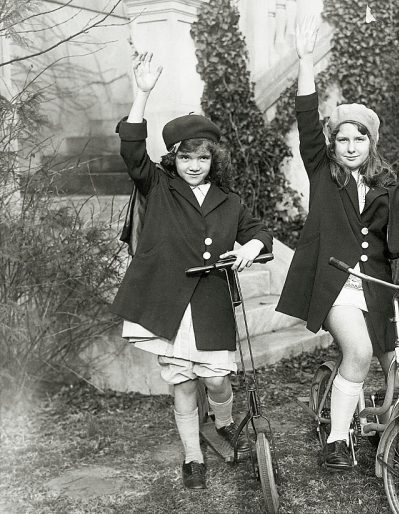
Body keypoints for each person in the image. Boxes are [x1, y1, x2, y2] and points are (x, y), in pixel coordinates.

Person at [276, 20, 399, 471]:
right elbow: (307, 119)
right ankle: (337, 440)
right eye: (341, 138)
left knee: (398, 362)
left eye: (358, 137)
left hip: (378, 286)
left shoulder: (386, 184)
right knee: (359, 353)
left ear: (371, 142)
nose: (349, 145)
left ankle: (390, 423)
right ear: (333, 144)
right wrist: (306, 63)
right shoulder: (325, 175)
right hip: (336, 283)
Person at [111, 52, 273, 489]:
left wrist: (252, 246)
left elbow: (260, 231)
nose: (194, 165)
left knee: (217, 380)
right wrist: (142, 94)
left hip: (211, 301)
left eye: (202, 158)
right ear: (174, 159)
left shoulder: (230, 200)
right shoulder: (158, 185)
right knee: (183, 385)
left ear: (212, 159)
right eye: (186, 158)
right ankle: (192, 457)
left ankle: (221, 418)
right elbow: (131, 150)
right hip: (169, 300)